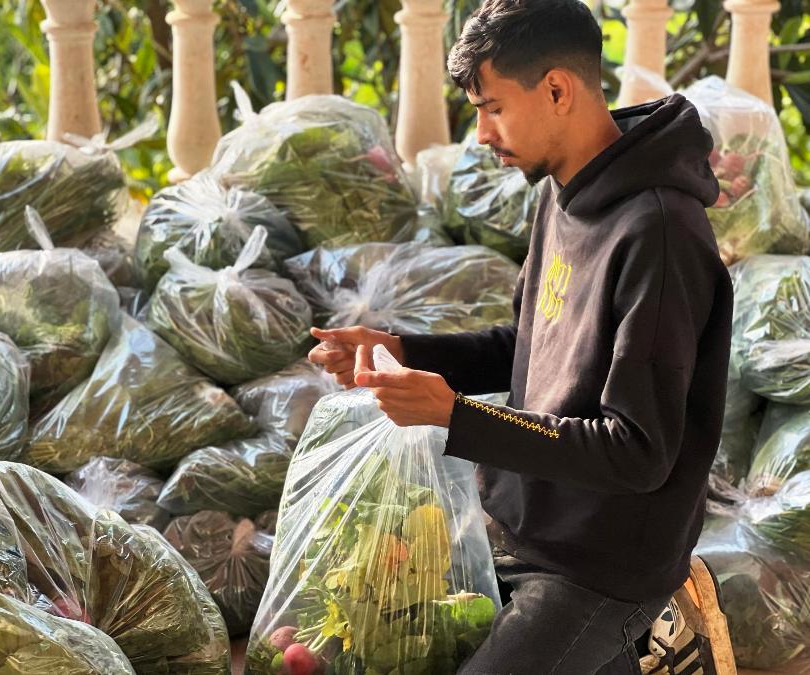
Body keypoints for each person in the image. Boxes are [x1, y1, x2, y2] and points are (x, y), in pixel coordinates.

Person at [308, 0, 738, 673]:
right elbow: (530, 344)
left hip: (603, 565)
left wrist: (455, 415)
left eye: (493, 107)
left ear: (557, 89)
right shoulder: (561, 190)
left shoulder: (659, 233)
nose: (481, 133)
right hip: (527, 526)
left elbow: (638, 451)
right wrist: (402, 348)